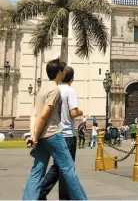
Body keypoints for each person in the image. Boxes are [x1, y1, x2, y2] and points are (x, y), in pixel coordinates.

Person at [22, 59, 87, 200]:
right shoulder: (54, 90)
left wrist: (34, 136)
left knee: (37, 171)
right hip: (53, 135)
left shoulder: (42, 90)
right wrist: (34, 137)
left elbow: (34, 114)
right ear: (59, 73)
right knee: (69, 169)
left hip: (41, 138)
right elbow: (44, 115)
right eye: (62, 71)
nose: (63, 74)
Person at [39, 66, 84, 200]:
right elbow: (73, 113)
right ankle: (61, 196)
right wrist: (81, 112)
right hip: (68, 135)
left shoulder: (56, 89)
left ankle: (42, 192)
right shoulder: (70, 91)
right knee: (66, 169)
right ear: (72, 78)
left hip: (56, 133)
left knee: (59, 166)